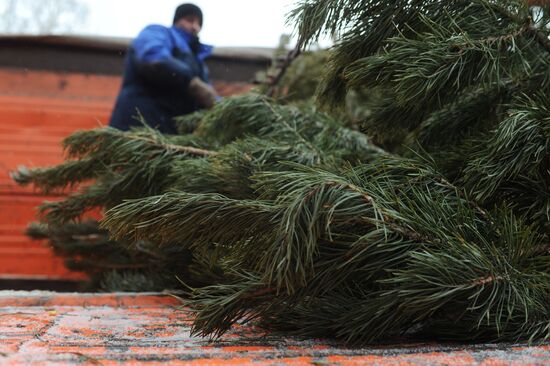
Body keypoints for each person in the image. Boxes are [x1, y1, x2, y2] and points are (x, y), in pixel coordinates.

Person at [109, 3, 218, 134]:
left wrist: (224, 108)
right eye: (190, 20)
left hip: (171, 135)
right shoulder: (158, 32)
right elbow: (154, 59)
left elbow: (209, 94)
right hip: (138, 126)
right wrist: (192, 83)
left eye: (199, 23)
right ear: (177, 21)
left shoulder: (198, 61)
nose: (195, 27)